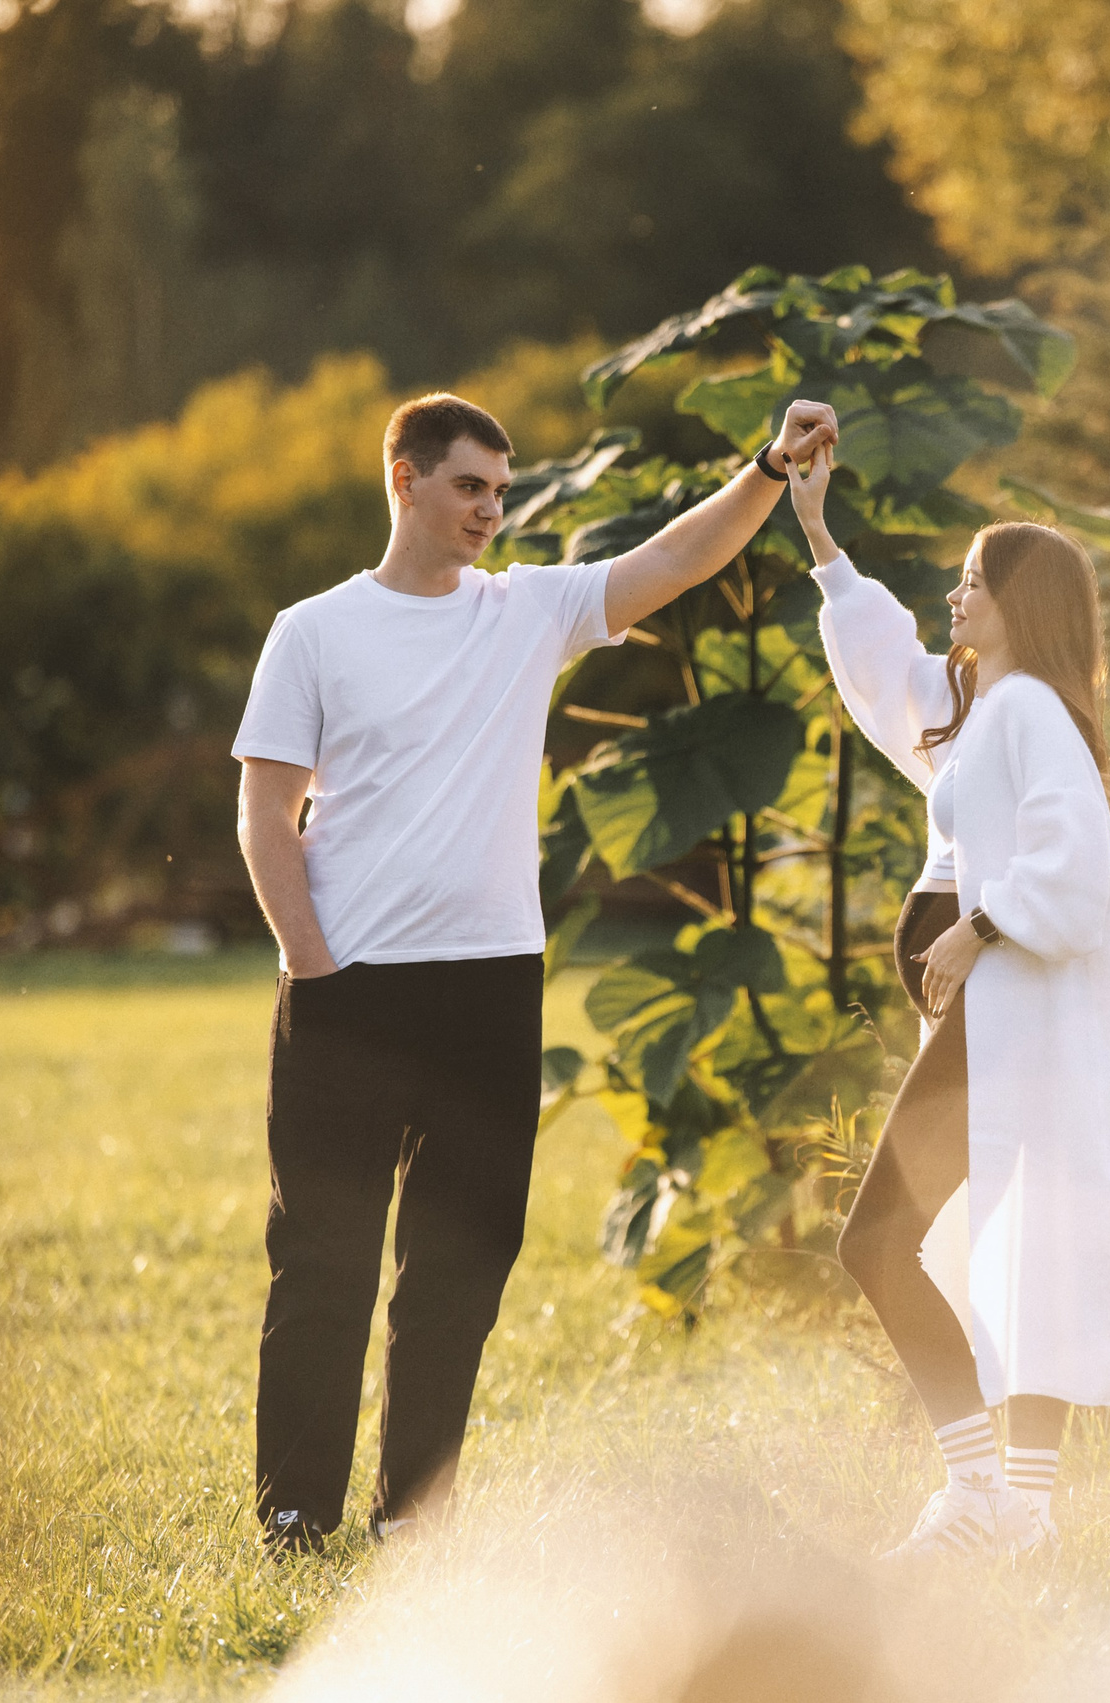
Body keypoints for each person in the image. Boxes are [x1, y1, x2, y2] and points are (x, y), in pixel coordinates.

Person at [232, 390, 837, 1554]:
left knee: (457, 1262)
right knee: (324, 1257)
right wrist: (315, 967)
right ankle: (294, 1515)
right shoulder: (312, 630)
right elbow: (264, 813)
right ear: (403, 479)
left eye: (502, 492)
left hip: (492, 987)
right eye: (470, 486)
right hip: (348, 988)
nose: (490, 512)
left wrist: (766, 464)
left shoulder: (527, 612)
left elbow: (676, 554)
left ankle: (415, 1515)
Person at [786, 449, 1110, 1559]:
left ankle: (978, 1491)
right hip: (991, 1021)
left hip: (1010, 1017)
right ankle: (1020, 1512)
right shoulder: (986, 708)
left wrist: (977, 923)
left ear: (1017, 604)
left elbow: (1076, 865)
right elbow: (898, 679)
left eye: (973, 580)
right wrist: (818, 532)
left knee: (878, 1236)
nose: (953, 593)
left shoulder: (1029, 709)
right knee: (1023, 1244)